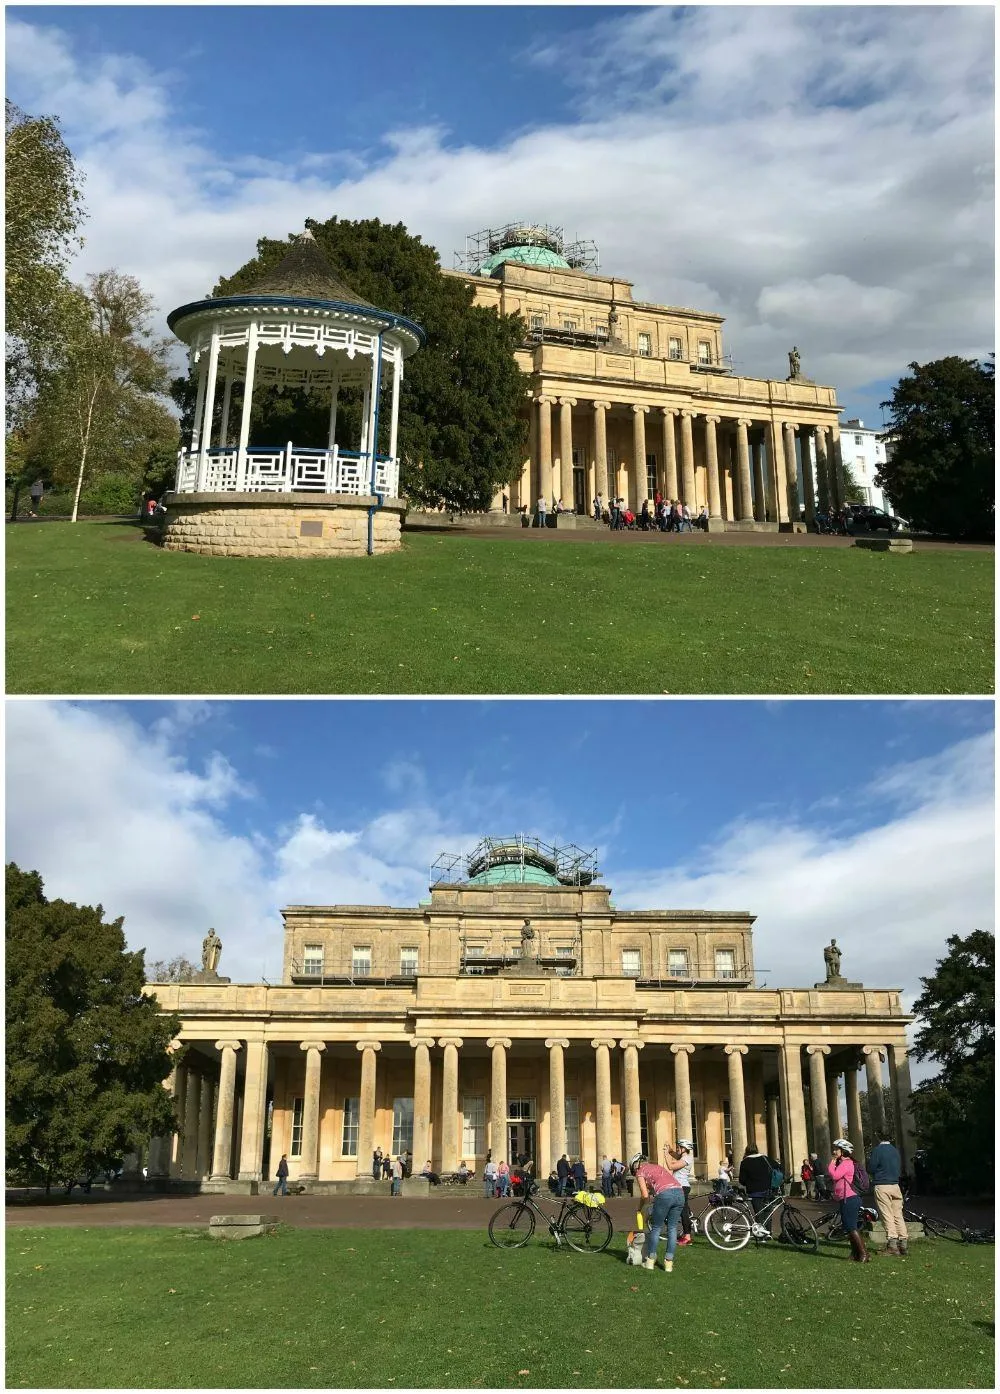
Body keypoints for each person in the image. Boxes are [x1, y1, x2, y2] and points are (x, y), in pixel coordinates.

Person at [630, 1150, 687, 1273]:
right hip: (679, 1192)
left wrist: (639, 1209)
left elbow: (645, 1196)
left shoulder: (641, 1172)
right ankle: (668, 1264)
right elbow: (658, 1185)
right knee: (672, 1228)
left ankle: (650, 1261)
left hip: (665, 1195)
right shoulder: (656, 1167)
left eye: (634, 1171)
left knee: (656, 1228)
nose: (635, 1174)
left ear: (637, 1165)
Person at [829, 1138, 870, 1263]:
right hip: (846, 1198)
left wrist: (831, 1163)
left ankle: (864, 1254)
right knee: (848, 1226)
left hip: (850, 1198)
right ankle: (855, 1253)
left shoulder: (847, 1163)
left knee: (851, 1226)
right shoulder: (844, 1163)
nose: (834, 1151)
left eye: (837, 1149)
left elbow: (835, 1175)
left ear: (844, 1151)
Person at [868, 1134, 907, 1256]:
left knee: (887, 1214)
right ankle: (904, 1243)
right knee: (898, 1215)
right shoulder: (895, 1151)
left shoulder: (877, 1150)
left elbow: (871, 1168)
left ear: (878, 1138)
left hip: (882, 1184)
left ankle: (892, 1245)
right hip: (895, 1185)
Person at [667, 1140, 694, 1244]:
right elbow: (676, 1156)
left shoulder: (686, 1158)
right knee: (683, 1210)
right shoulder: (684, 1157)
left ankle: (687, 1237)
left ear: (684, 1149)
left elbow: (671, 1167)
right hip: (680, 1187)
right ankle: (686, 1233)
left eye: (679, 1147)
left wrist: (665, 1153)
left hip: (682, 1187)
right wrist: (670, 1151)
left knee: (683, 1212)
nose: (677, 1149)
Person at [738, 1144, 777, 1218]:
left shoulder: (745, 1162)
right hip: (767, 1190)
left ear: (747, 1151)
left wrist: (748, 1182)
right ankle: (767, 1229)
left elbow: (742, 1180)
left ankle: (759, 1228)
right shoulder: (765, 1159)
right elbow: (778, 1167)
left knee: (759, 1214)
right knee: (768, 1215)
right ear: (757, 1149)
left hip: (754, 1191)